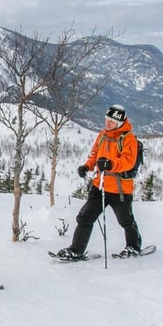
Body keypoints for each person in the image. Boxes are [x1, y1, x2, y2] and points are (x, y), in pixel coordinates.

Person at [54, 104, 143, 260]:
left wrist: (110, 164)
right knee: (85, 217)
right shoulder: (102, 135)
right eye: (106, 120)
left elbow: (128, 161)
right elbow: (95, 155)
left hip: (120, 189)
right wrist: (86, 166)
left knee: (126, 221)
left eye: (112, 122)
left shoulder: (128, 139)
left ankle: (134, 247)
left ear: (120, 123)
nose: (107, 124)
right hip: (99, 186)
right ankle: (76, 250)